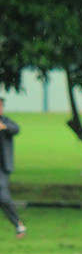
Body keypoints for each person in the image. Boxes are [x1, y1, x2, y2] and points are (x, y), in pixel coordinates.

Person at [0, 98, 26, 239]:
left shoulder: (6, 122)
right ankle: (18, 225)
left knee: (3, 197)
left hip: (2, 167)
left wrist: (3, 127)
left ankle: (18, 224)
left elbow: (16, 129)